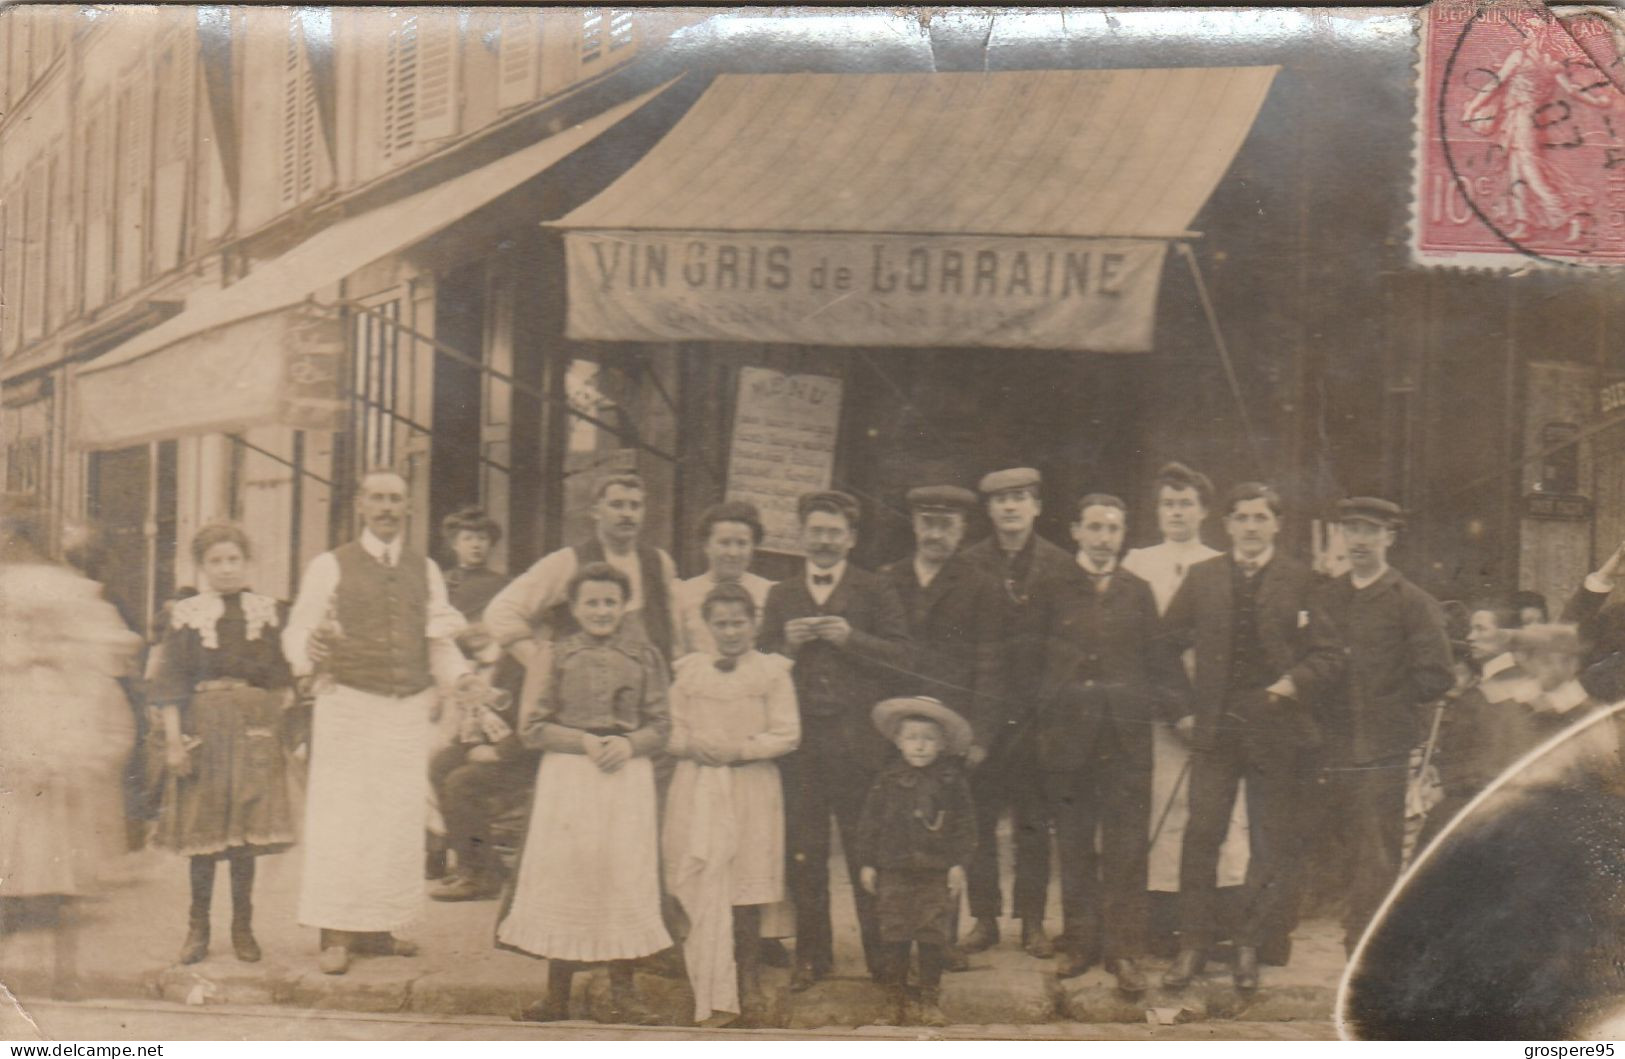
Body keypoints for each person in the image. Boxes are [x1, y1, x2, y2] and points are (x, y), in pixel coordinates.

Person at [282, 469, 484, 975]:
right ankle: (335, 930)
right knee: (344, 817)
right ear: (360, 505)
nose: (387, 507)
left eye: (396, 498)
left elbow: (439, 640)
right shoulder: (331, 565)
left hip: (405, 708)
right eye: (377, 498)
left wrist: (462, 680)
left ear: (408, 507)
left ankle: (380, 927)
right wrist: (310, 651)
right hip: (349, 703)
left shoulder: (427, 569)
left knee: (394, 818)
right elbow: (300, 630)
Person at [1159, 483, 1344, 993]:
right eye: (1241, 517)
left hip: (1274, 724)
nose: (1250, 526)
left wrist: (1290, 684)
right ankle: (1192, 946)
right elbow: (1163, 648)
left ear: (1277, 523)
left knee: (1268, 839)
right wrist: (1180, 713)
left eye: (1260, 517)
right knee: (1202, 833)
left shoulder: (1301, 580)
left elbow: (1329, 655)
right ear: (1227, 525)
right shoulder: (1203, 578)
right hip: (1215, 725)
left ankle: (1247, 945)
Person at [499, 563, 671, 1025]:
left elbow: (662, 724)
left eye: (610, 602)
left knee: (622, 877)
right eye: (591, 602)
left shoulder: (644, 655)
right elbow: (531, 728)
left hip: (625, 777)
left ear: (624, 606)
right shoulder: (553, 654)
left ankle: (623, 992)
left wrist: (630, 743)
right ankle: (557, 995)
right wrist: (583, 741)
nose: (601, 611)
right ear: (574, 608)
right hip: (570, 777)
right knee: (567, 875)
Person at [759, 489, 912, 991]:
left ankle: (882, 959)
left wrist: (852, 639)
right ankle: (813, 958)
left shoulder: (874, 589)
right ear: (801, 537)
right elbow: (758, 666)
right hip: (801, 747)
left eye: (833, 532)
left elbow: (903, 656)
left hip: (858, 746)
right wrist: (786, 645)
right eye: (815, 532)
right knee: (805, 853)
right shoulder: (781, 596)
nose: (824, 541)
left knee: (866, 851)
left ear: (850, 539)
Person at [1035, 493, 1183, 994]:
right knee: (1074, 845)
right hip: (1068, 741)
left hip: (1124, 741)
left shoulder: (1138, 592)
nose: (1103, 539)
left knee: (1125, 848)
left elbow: (1160, 661)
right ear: (1076, 531)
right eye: (1094, 527)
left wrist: (1179, 712)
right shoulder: (1052, 587)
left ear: (1123, 536)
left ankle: (1123, 952)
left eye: (1113, 529)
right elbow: (1031, 660)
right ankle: (1080, 945)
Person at [0, 498, 140, 997]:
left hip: (38, 718)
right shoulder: (58, 586)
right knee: (43, 850)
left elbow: (104, 646)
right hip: (34, 716)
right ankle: (63, 973)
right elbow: (108, 645)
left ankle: (62, 970)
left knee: (43, 849)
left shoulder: (42, 585)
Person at [149, 523, 296, 964]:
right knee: (204, 832)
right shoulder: (186, 615)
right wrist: (175, 743)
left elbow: (282, 679)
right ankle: (198, 928)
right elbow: (171, 681)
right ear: (202, 566)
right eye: (216, 561)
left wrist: (275, 729)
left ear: (246, 563)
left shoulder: (268, 612)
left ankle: (243, 928)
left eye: (234, 559)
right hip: (205, 730)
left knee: (245, 837)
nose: (226, 568)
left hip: (254, 731)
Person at [878, 484, 1008, 971]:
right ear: (914, 525)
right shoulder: (888, 578)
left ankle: (940, 941)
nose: (936, 533)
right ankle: (895, 938)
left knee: (946, 827)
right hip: (899, 726)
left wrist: (980, 734)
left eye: (947, 525)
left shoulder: (980, 584)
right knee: (898, 825)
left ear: (962, 531)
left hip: (952, 728)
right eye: (928, 523)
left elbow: (992, 665)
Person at [1315, 497, 1454, 953]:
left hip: (1383, 743)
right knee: (1340, 835)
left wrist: (1387, 701)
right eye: (1351, 529)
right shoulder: (1328, 597)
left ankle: (1367, 939)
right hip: (1332, 740)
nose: (1358, 539)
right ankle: (1351, 921)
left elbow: (1437, 675)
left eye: (1370, 530)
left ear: (1389, 538)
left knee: (1378, 842)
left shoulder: (1412, 602)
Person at [1120, 462, 1250, 945]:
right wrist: (1169, 703)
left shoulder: (1222, 563)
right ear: (1157, 511)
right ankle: (1159, 918)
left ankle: (1214, 918)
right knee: (1160, 806)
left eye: (1186, 504)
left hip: (1211, 706)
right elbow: (1136, 640)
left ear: (1204, 511)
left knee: (1215, 811)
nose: (1177, 512)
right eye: (1168, 504)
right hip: (1157, 705)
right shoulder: (1137, 561)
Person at [662, 582, 800, 1027]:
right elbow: (670, 728)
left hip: (751, 789)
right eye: (720, 623)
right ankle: (703, 985)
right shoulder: (689, 672)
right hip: (698, 785)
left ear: (754, 623)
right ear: (706, 626)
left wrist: (740, 750)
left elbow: (787, 732)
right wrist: (694, 746)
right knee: (700, 883)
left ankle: (746, 986)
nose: (730, 632)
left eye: (738, 622)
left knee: (743, 889)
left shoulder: (771, 672)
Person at [958, 467, 1073, 960]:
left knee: (1033, 822)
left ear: (1037, 507)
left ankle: (1031, 922)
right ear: (988, 509)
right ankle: (983, 918)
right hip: (984, 717)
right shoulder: (967, 564)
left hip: (1037, 717)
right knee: (977, 823)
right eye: (1001, 500)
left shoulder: (1060, 565)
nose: (1010, 507)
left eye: (1021, 498)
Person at [486, 473, 680, 687]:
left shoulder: (660, 563)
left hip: (644, 689)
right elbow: (500, 611)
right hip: (582, 689)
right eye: (617, 505)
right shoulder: (566, 561)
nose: (627, 514)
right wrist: (540, 666)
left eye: (635, 506)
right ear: (596, 511)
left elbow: (673, 632)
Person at [855, 696, 977, 1028]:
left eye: (929, 739)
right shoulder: (887, 779)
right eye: (912, 737)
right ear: (898, 741)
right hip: (894, 870)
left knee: (931, 933)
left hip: (934, 872)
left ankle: (928, 998)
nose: (920, 746)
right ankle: (894, 1000)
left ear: (942, 744)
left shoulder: (952, 782)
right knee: (894, 932)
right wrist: (868, 863)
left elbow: (965, 827)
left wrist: (957, 864)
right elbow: (870, 823)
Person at [1419, 598, 1533, 849]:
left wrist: (1445, 787)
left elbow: (1495, 761)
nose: (1470, 637)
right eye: (1471, 629)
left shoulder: (1506, 686)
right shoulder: (1487, 684)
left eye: (1481, 629)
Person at [675, 501, 776, 657]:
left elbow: (769, 651)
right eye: (724, 543)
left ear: (753, 547)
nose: (733, 552)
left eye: (742, 543)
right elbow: (678, 652)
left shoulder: (769, 592)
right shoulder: (682, 593)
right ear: (706, 545)